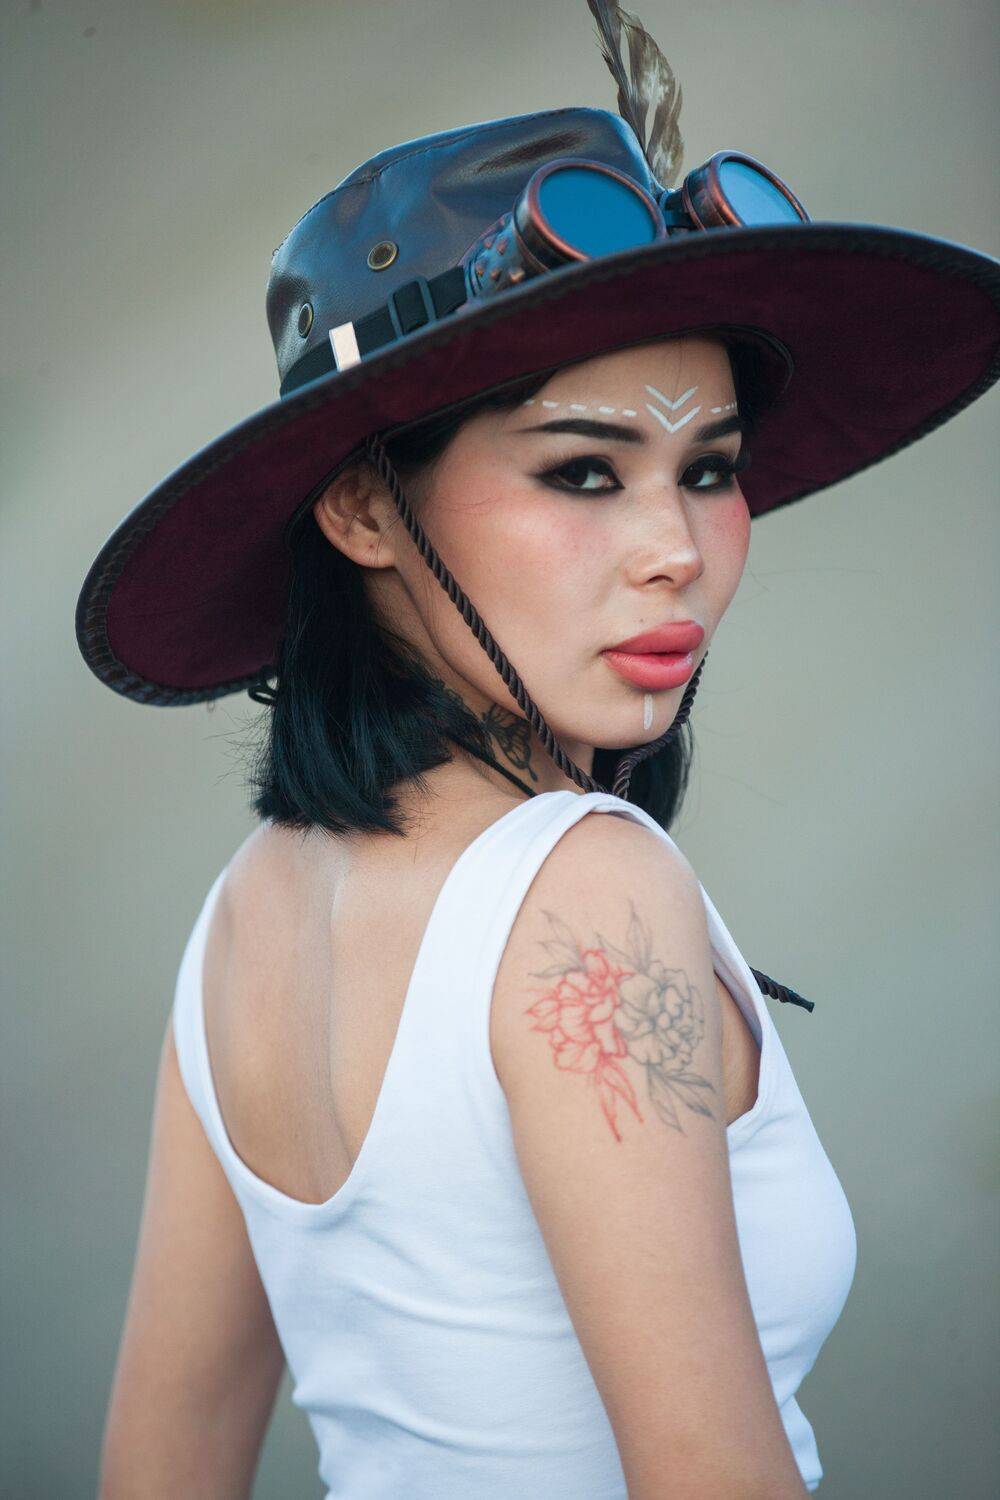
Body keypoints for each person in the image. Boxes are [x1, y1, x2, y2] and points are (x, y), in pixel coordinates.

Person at [79, 5, 1000, 1497]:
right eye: (583, 473)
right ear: (362, 507)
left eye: (710, 469)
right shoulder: (583, 894)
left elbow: (162, 1456)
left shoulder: (245, 916)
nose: (674, 550)